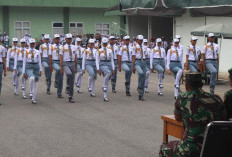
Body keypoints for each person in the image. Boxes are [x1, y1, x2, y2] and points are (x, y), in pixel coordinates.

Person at [159, 72, 227, 157]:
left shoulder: (182, 98)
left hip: (191, 149)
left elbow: (178, 118)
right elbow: (224, 120)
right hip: (213, 147)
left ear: (186, 85)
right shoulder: (216, 99)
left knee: (164, 148)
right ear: (202, 84)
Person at [22, 38, 42, 104]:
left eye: (33, 43)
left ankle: (33, 98)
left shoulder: (37, 51)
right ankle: (31, 91)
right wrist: (23, 72)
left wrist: (41, 70)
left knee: (36, 83)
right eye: (31, 44)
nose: (32, 45)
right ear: (29, 44)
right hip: (29, 66)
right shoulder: (26, 51)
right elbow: (24, 62)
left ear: (35, 44)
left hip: (36, 67)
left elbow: (39, 61)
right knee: (32, 78)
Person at [60, 33, 77, 103]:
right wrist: (61, 68)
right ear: (65, 39)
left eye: (70, 39)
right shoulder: (62, 47)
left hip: (72, 63)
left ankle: (70, 96)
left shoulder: (74, 47)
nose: (69, 40)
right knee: (69, 74)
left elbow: (75, 57)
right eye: (68, 39)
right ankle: (67, 85)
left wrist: (76, 67)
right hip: (65, 63)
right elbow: (61, 58)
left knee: (72, 81)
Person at [97, 38, 115, 102]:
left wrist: (113, 68)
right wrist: (98, 68)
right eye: (104, 43)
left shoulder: (110, 50)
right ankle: (104, 86)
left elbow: (112, 60)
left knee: (107, 79)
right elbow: (97, 60)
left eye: (106, 43)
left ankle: (105, 96)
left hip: (109, 64)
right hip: (102, 64)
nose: (105, 44)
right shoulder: (99, 50)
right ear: (102, 43)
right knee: (108, 73)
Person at [132, 35, 147, 101]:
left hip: (143, 61)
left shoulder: (144, 47)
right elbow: (133, 56)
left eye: (141, 40)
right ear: (137, 40)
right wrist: (133, 66)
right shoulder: (134, 47)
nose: (141, 41)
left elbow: (145, 55)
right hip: (137, 62)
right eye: (139, 40)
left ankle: (141, 94)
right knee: (140, 73)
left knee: (144, 77)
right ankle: (140, 87)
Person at [49, 34, 64, 98]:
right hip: (54, 61)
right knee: (58, 69)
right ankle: (56, 81)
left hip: (61, 62)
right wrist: (50, 65)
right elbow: (50, 56)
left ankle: (59, 93)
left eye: (58, 38)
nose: (57, 40)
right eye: (56, 38)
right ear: (53, 39)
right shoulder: (51, 47)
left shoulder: (62, 46)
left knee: (61, 78)